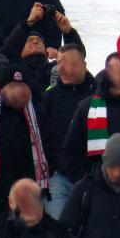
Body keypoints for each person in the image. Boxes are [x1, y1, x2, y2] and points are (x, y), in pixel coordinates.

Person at [62, 31, 120, 181]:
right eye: (119, 73)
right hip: (98, 185)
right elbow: (71, 153)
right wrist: (87, 184)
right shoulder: (87, 107)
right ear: (108, 74)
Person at [0, 64, 51, 217]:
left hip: (27, 193)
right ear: (2, 89)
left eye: (23, 86)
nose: (19, 90)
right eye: (13, 85)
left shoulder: (39, 113)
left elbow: (49, 148)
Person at [42, 42, 95, 217]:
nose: (66, 69)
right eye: (61, 64)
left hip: (90, 176)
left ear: (84, 66)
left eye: (73, 65)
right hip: (59, 176)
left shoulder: (98, 94)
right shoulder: (50, 96)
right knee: (60, 229)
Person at [0, 2, 85, 99]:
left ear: (46, 50)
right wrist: (28, 23)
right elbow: (7, 50)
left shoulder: (54, 69)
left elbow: (77, 60)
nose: (35, 41)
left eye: (39, 41)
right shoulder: (13, 70)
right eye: (29, 40)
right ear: (19, 49)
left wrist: (68, 32)